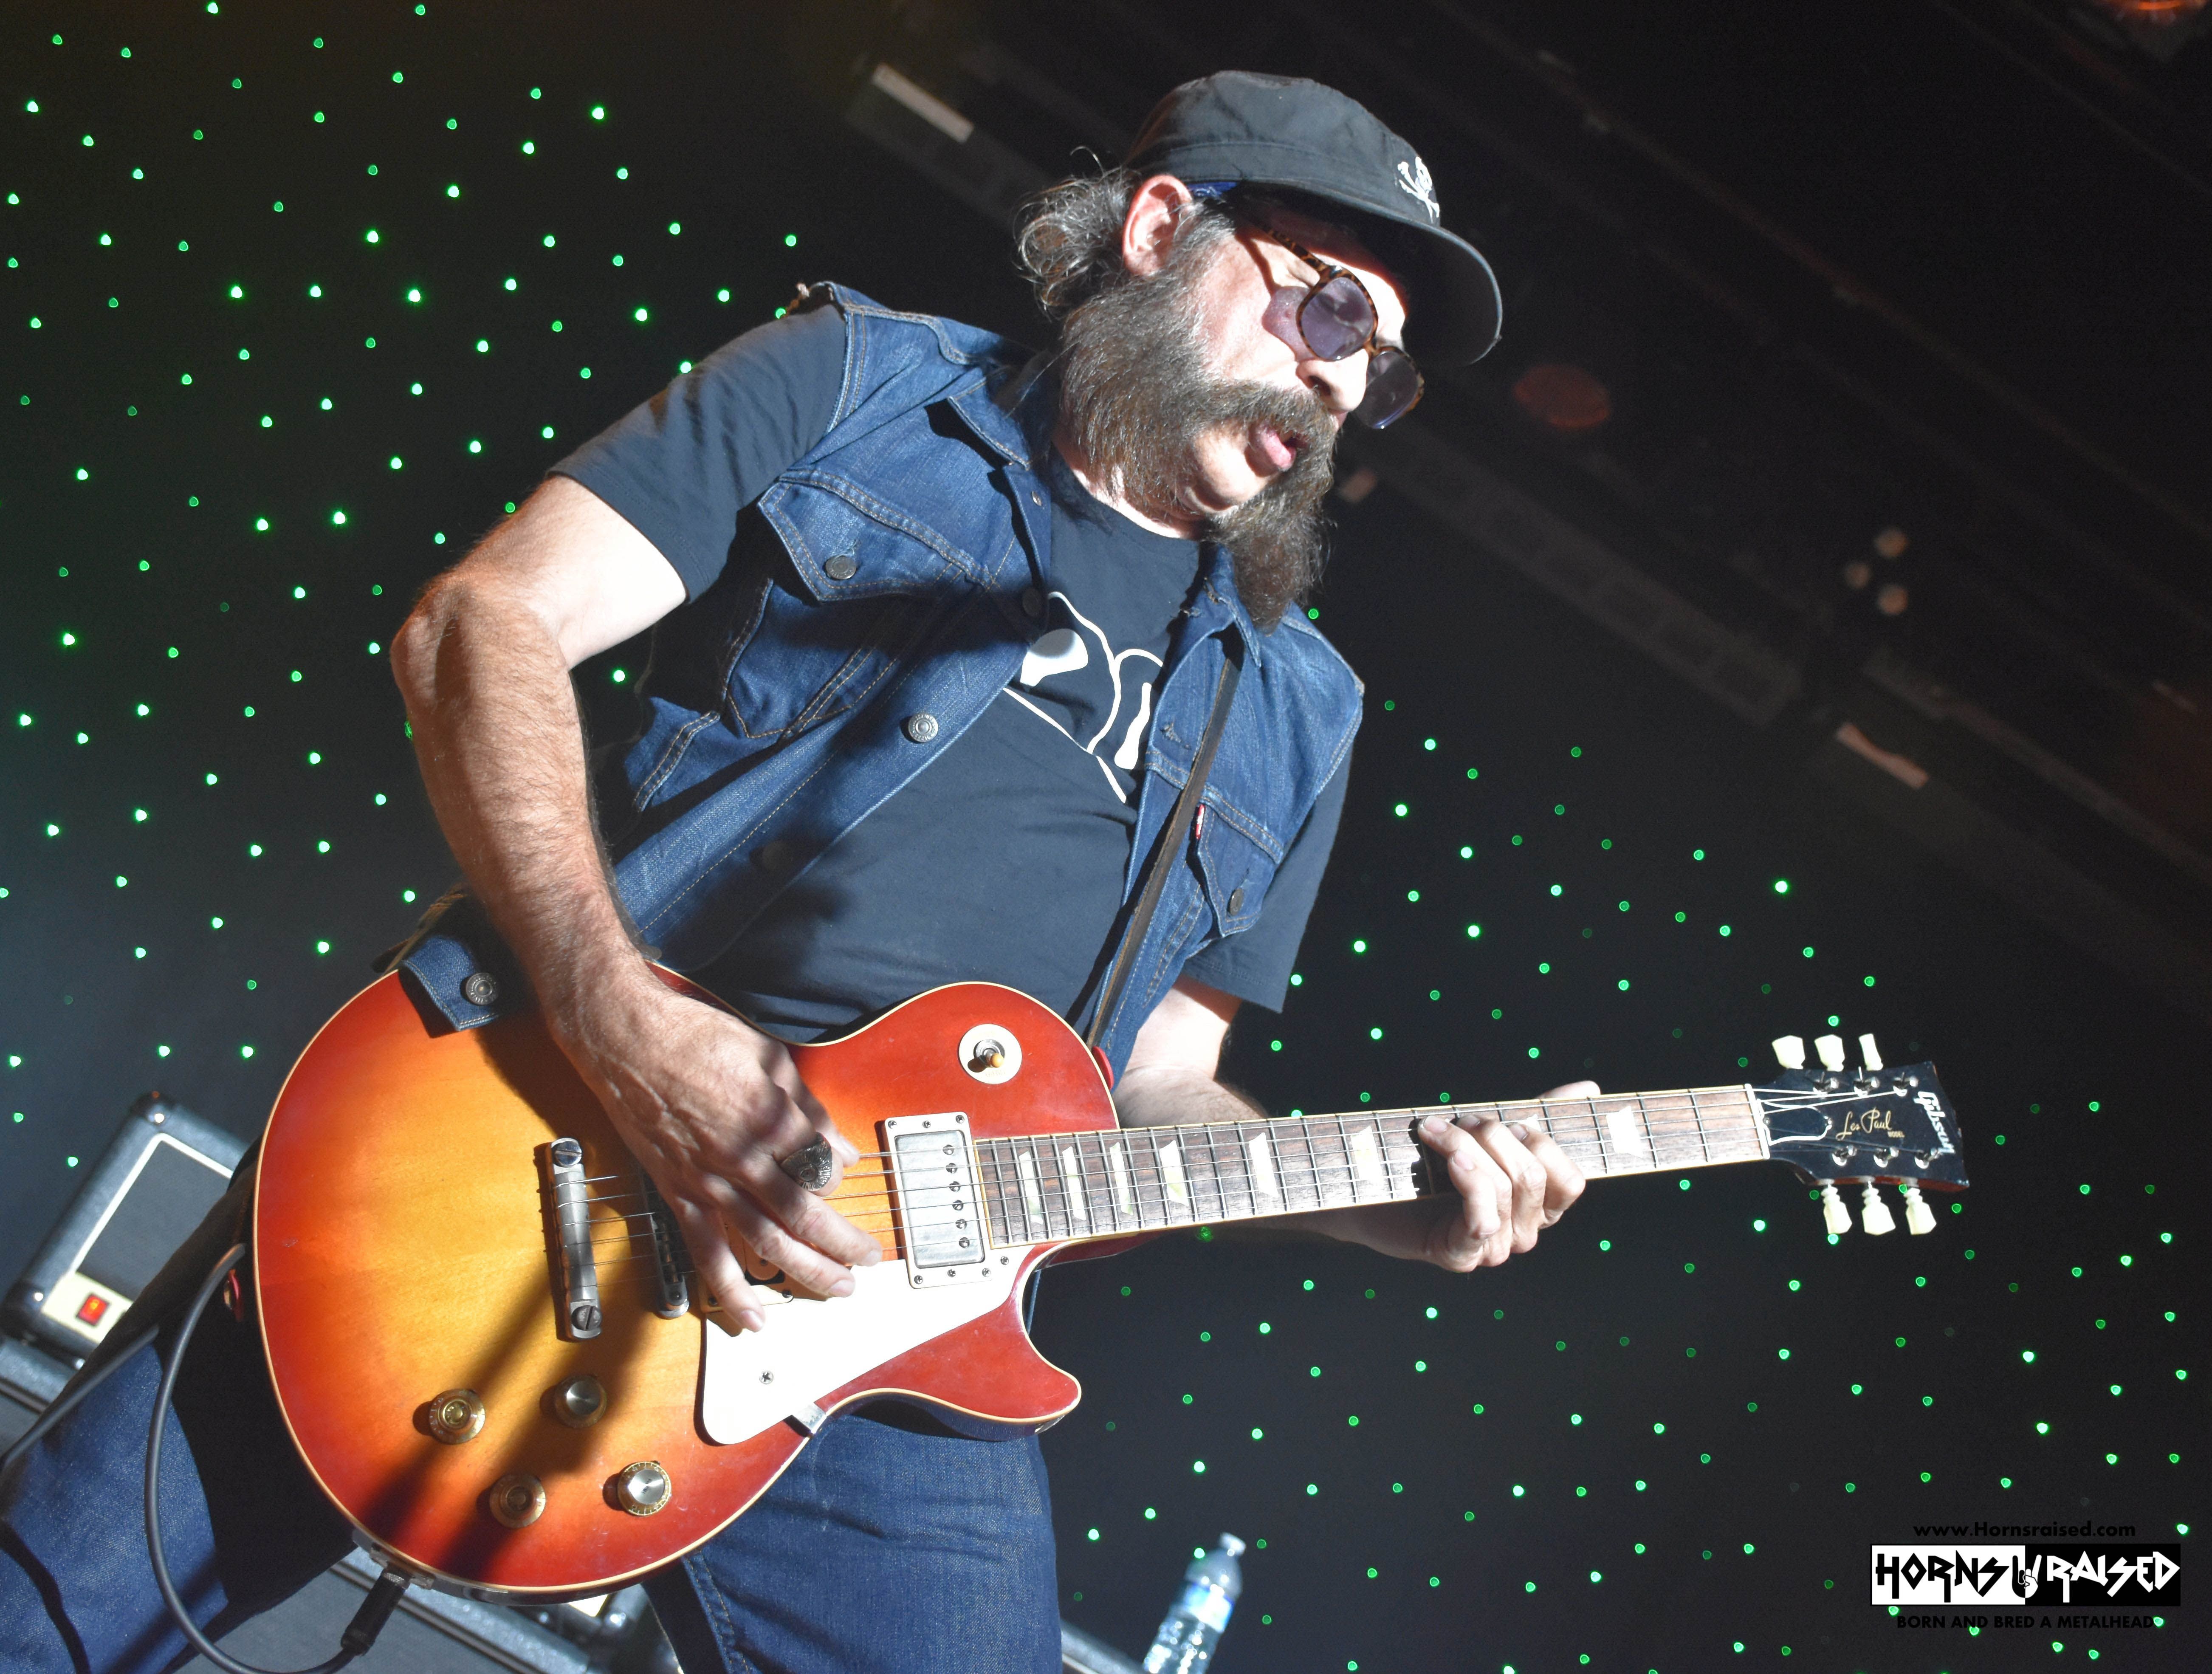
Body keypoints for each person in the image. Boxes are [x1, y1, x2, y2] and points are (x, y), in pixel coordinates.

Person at [0, 71, 1587, 1674]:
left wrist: (1378, 1206)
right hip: (527, 1151)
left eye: (1379, 368)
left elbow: (1156, 1084)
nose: (1342, 380)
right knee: (45, 1620)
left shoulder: (1298, 704)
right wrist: (624, 1024)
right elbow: (481, 626)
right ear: (1163, 229)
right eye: (1329, 308)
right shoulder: (856, 388)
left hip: (896, 1322)